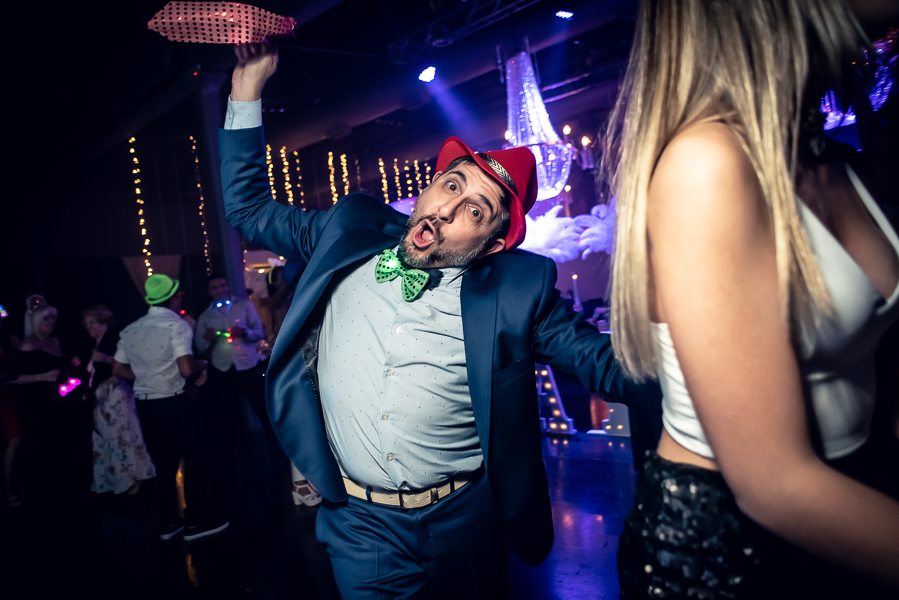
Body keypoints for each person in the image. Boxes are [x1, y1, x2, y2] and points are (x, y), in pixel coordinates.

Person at [220, 41, 654, 598]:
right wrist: (248, 88)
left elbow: (607, 366)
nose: (448, 209)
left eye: (474, 210)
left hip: (465, 519)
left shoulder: (518, 291)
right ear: (429, 186)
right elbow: (248, 208)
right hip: (361, 523)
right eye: (452, 185)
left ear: (494, 241)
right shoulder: (347, 229)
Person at [605, 0, 899, 597]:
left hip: (848, 498)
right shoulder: (705, 164)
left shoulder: (832, 159)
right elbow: (774, 485)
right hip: (725, 554)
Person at [112, 274, 227, 542]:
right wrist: (203, 366)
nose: (180, 299)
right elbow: (187, 369)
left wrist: (145, 377)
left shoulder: (130, 329)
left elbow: (117, 369)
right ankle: (196, 522)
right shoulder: (177, 326)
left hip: (146, 406)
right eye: (178, 295)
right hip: (174, 401)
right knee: (197, 457)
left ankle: (168, 523)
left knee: (163, 465)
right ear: (172, 298)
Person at [82, 304, 155, 495]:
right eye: (87, 323)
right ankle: (115, 479)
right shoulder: (95, 345)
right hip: (102, 399)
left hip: (116, 395)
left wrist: (105, 359)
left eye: (93, 322)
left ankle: (132, 478)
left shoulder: (115, 340)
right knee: (108, 439)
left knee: (124, 437)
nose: (89, 326)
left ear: (103, 323)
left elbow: (128, 363)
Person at [194, 273, 274, 450]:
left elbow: (260, 333)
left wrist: (244, 332)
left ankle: (277, 446)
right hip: (222, 369)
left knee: (262, 407)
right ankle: (235, 452)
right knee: (226, 413)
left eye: (222, 285)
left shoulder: (244, 305)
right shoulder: (205, 316)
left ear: (227, 286)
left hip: (248, 364)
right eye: (214, 287)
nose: (219, 290)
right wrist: (207, 338)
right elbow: (199, 347)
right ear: (209, 291)